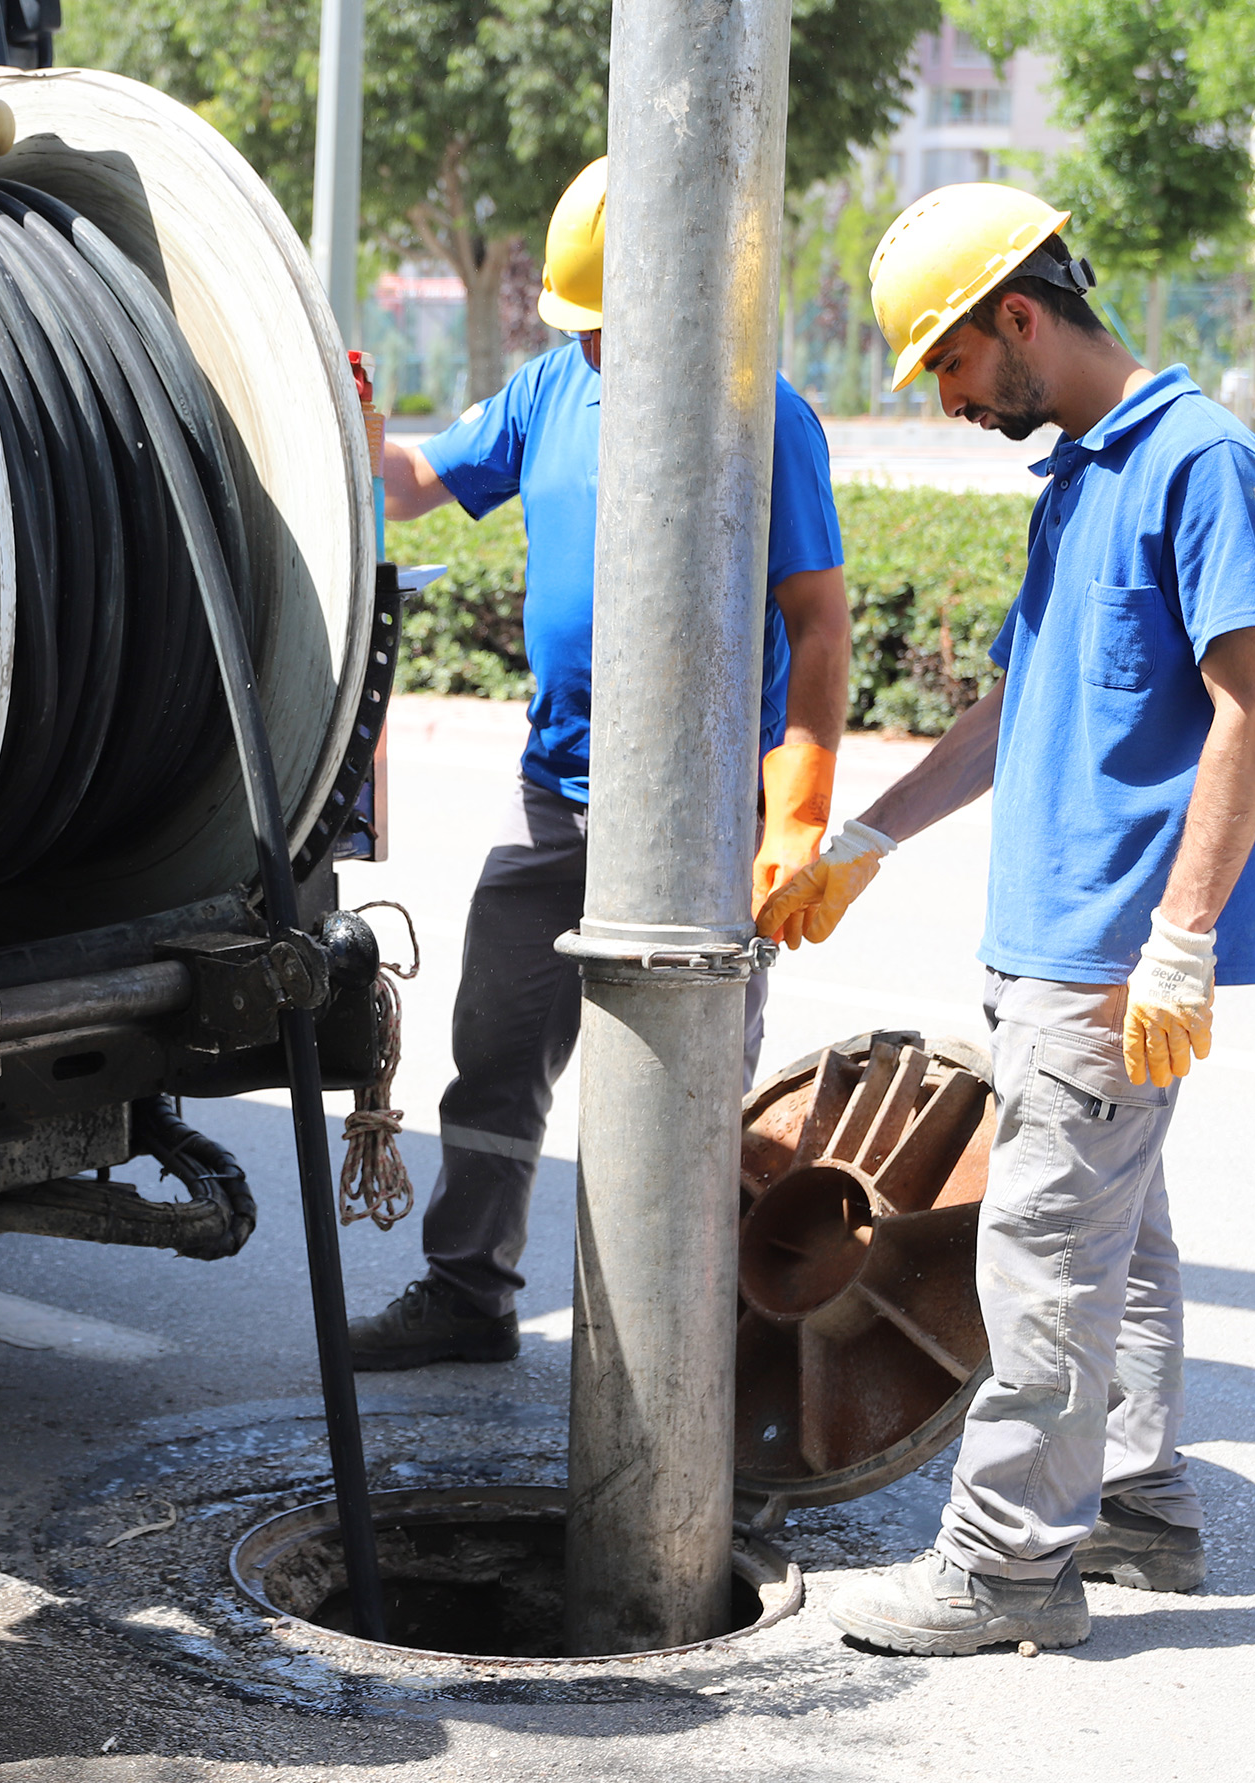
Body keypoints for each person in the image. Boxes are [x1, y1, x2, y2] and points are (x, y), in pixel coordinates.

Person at [784, 184, 1255, 1655]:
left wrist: (1184, 937)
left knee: (1038, 1261)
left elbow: (1250, 703)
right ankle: (1137, 1507)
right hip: (1060, 947)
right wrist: (872, 839)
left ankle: (1005, 1566)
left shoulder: (1201, 463)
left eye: (949, 364)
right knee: (1118, 1244)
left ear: (1018, 317)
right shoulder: (1085, 476)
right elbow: (1018, 704)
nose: (949, 398)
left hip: (1114, 954)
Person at [347, 157, 851, 1370]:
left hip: (701, 819)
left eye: (608, 328)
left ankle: (688, 1341)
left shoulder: (762, 413)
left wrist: (797, 810)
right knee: (497, 1054)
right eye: (578, 326)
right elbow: (416, 487)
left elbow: (819, 620)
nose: (590, 348)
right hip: (556, 791)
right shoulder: (548, 392)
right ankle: (469, 1295)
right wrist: (358, 428)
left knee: (689, 1096)